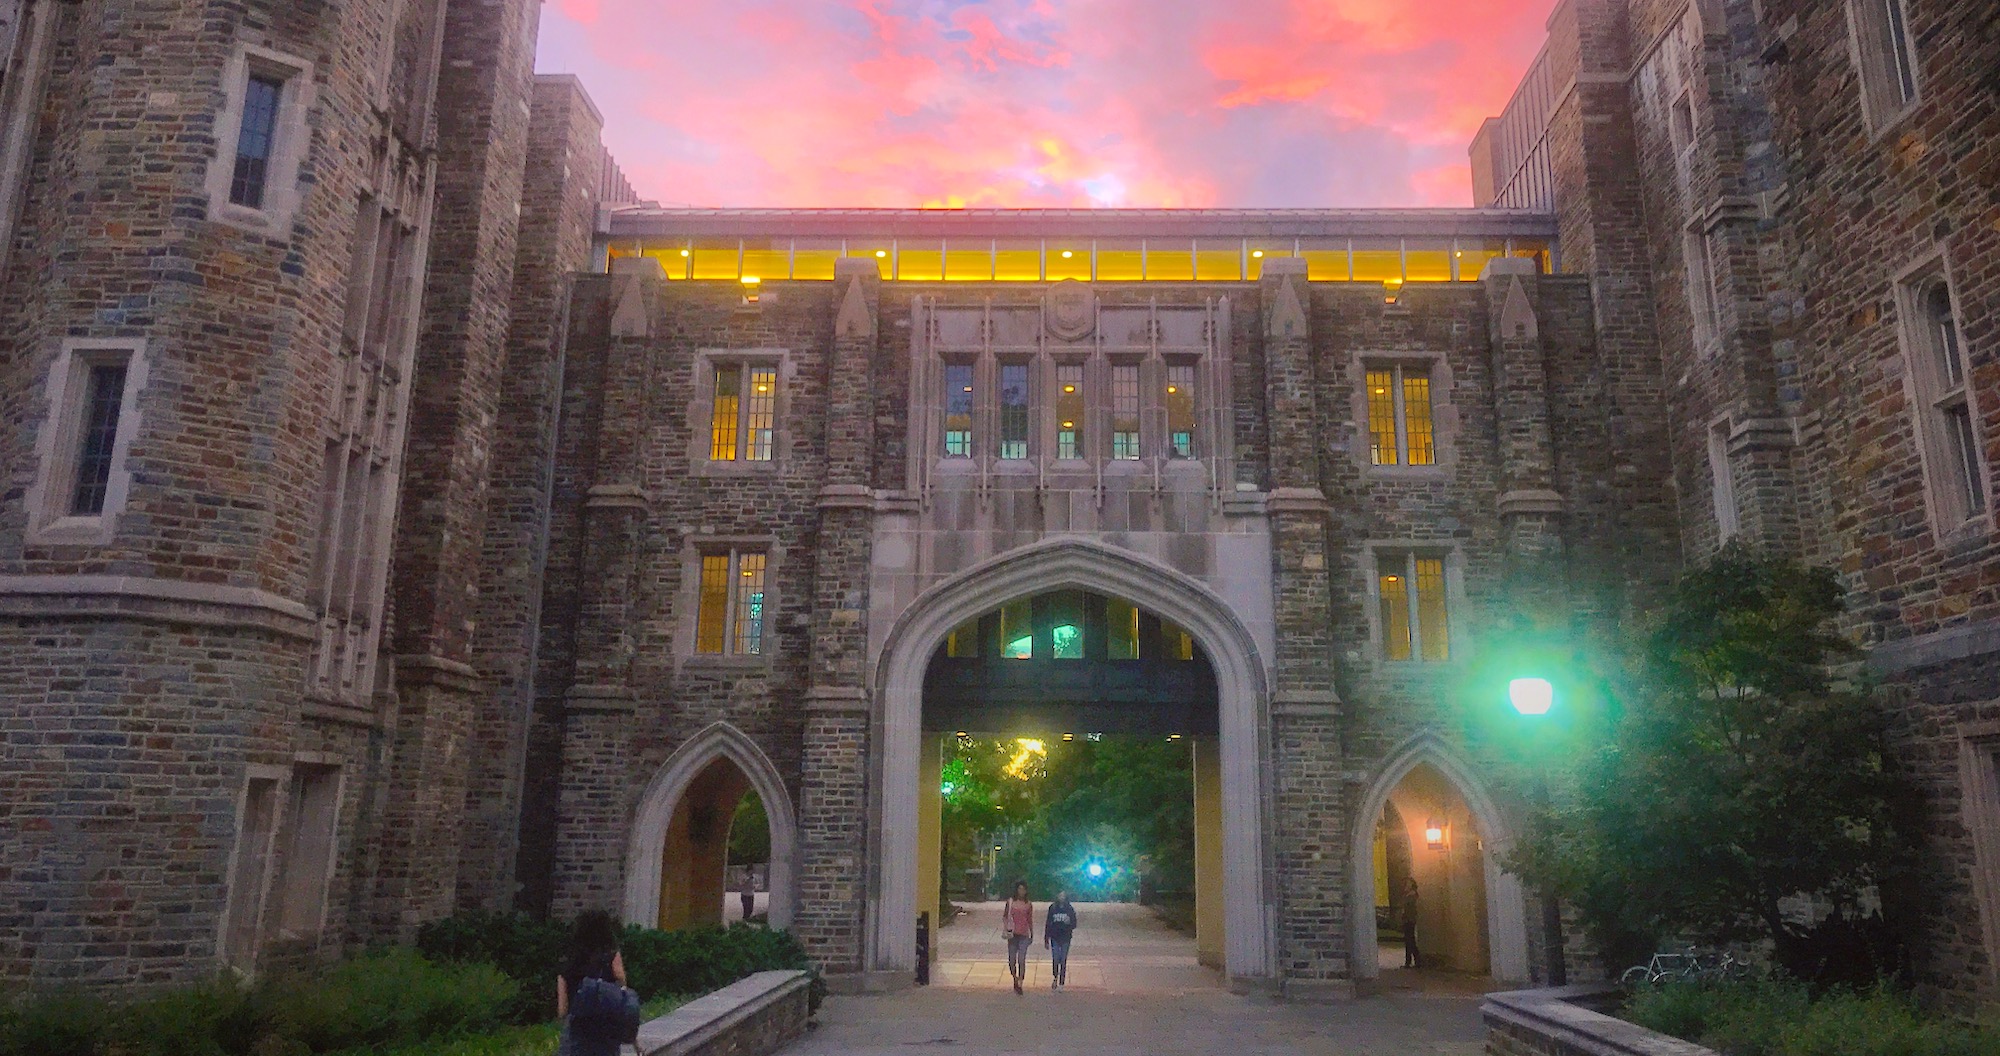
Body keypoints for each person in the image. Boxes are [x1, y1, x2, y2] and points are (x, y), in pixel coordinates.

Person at [555, 910, 633, 1056]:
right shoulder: (612, 954)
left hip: (577, 1026)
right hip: (606, 1025)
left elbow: (562, 1010)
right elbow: (622, 986)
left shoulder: (570, 961)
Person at [1001, 880, 1034, 994]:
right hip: (1012, 934)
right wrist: (1006, 927)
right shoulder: (1010, 902)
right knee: (1011, 960)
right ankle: (1014, 977)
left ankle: (1020, 980)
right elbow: (1005, 916)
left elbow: (1030, 919)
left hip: (1023, 934)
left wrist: (1031, 933)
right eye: (1019, 889)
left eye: (1023, 889)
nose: (1021, 891)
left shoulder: (1028, 904)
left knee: (1021, 959)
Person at [1044, 890, 1077, 991]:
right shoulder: (1053, 908)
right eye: (1060, 895)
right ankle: (1055, 977)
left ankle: (1061, 982)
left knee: (1063, 960)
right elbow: (1048, 923)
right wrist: (1046, 938)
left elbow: (1074, 923)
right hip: (1055, 937)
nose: (1061, 897)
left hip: (1065, 938)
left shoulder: (1069, 909)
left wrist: (1069, 923)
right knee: (1055, 958)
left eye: (1063, 895)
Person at [1400, 876, 1421, 969]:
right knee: (1408, 940)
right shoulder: (1408, 895)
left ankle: (1416, 960)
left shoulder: (1412, 895)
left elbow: (1410, 908)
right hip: (1407, 919)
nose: (1406, 885)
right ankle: (1409, 961)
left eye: (1408, 883)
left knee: (1410, 940)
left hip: (1410, 920)